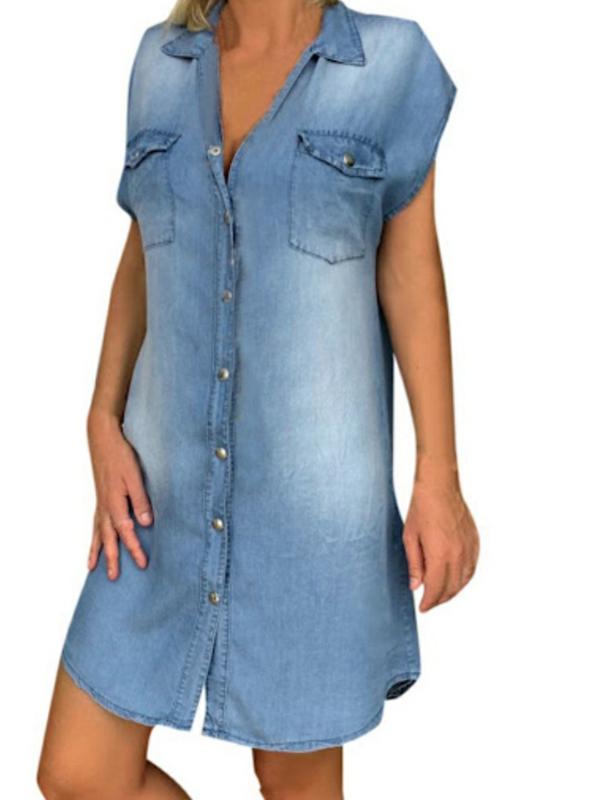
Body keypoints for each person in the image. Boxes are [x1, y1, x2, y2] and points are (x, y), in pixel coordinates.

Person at [37, 0, 480, 797]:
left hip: (310, 511)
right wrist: (101, 417)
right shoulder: (161, 61)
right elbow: (145, 251)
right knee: (77, 774)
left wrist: (437, 477)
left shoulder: (389, 63)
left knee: (292, 781)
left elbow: (412, 276)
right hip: (158, 495)